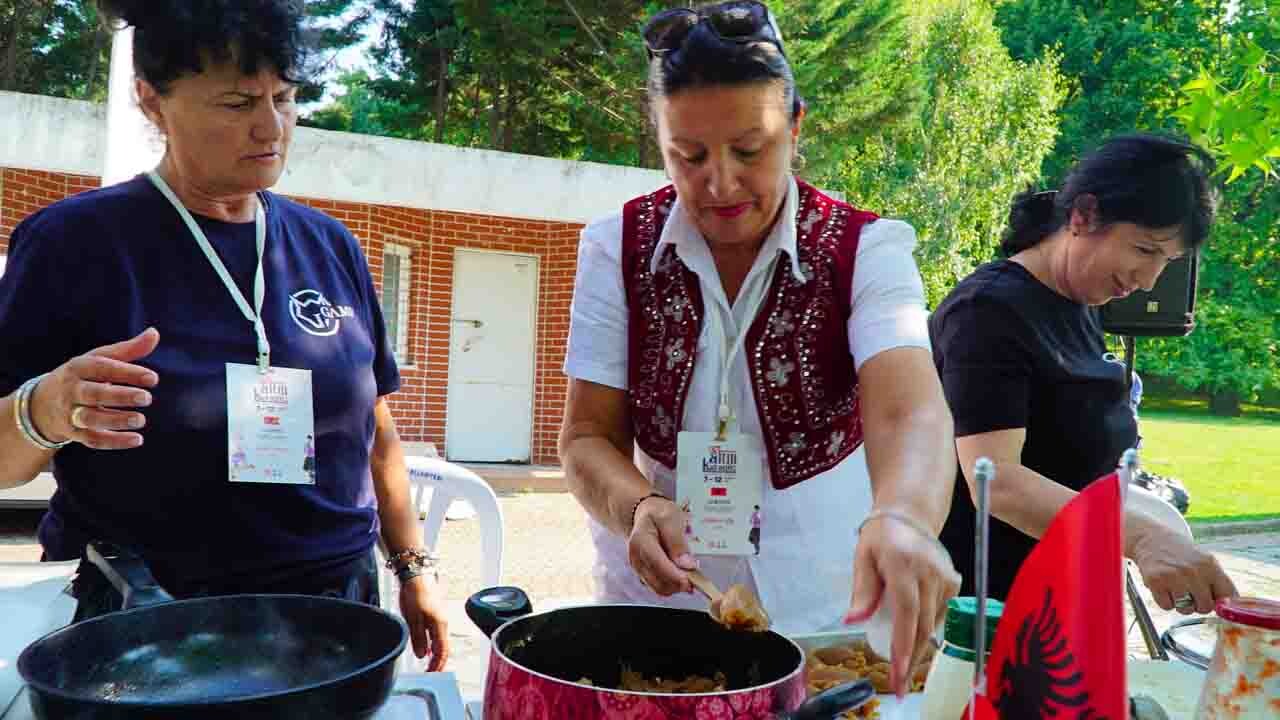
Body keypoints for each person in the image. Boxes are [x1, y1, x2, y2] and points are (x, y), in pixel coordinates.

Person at [0, 0, 448, 668]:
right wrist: (47, 408)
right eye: (238, 103)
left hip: (335, 608)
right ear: (151, 100)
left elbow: (374, 427)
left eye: (285, 97)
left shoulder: (330, 245)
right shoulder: (74, 244)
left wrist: (413, 567)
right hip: (151, 618)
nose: (272, 126)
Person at [560, 1, 958, 694]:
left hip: (821, 612)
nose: (719, 183)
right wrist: (639, 506)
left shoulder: (868, 250)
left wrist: (903, 515)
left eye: (750, 149)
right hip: (659, 611)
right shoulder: (614, 247)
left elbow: (909, 413)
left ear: (796, 126)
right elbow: (587, 436)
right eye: (688, 155)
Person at [931, 134, 1237, 614]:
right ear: (1084, 215)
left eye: (1166, 262)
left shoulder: (1081, 306)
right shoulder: (986, 310)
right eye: (1144, 249)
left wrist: (1155, 524)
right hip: (984, 612)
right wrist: (1140, 538)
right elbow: (997, 481)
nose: (1148, 280)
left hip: (1060, 597)